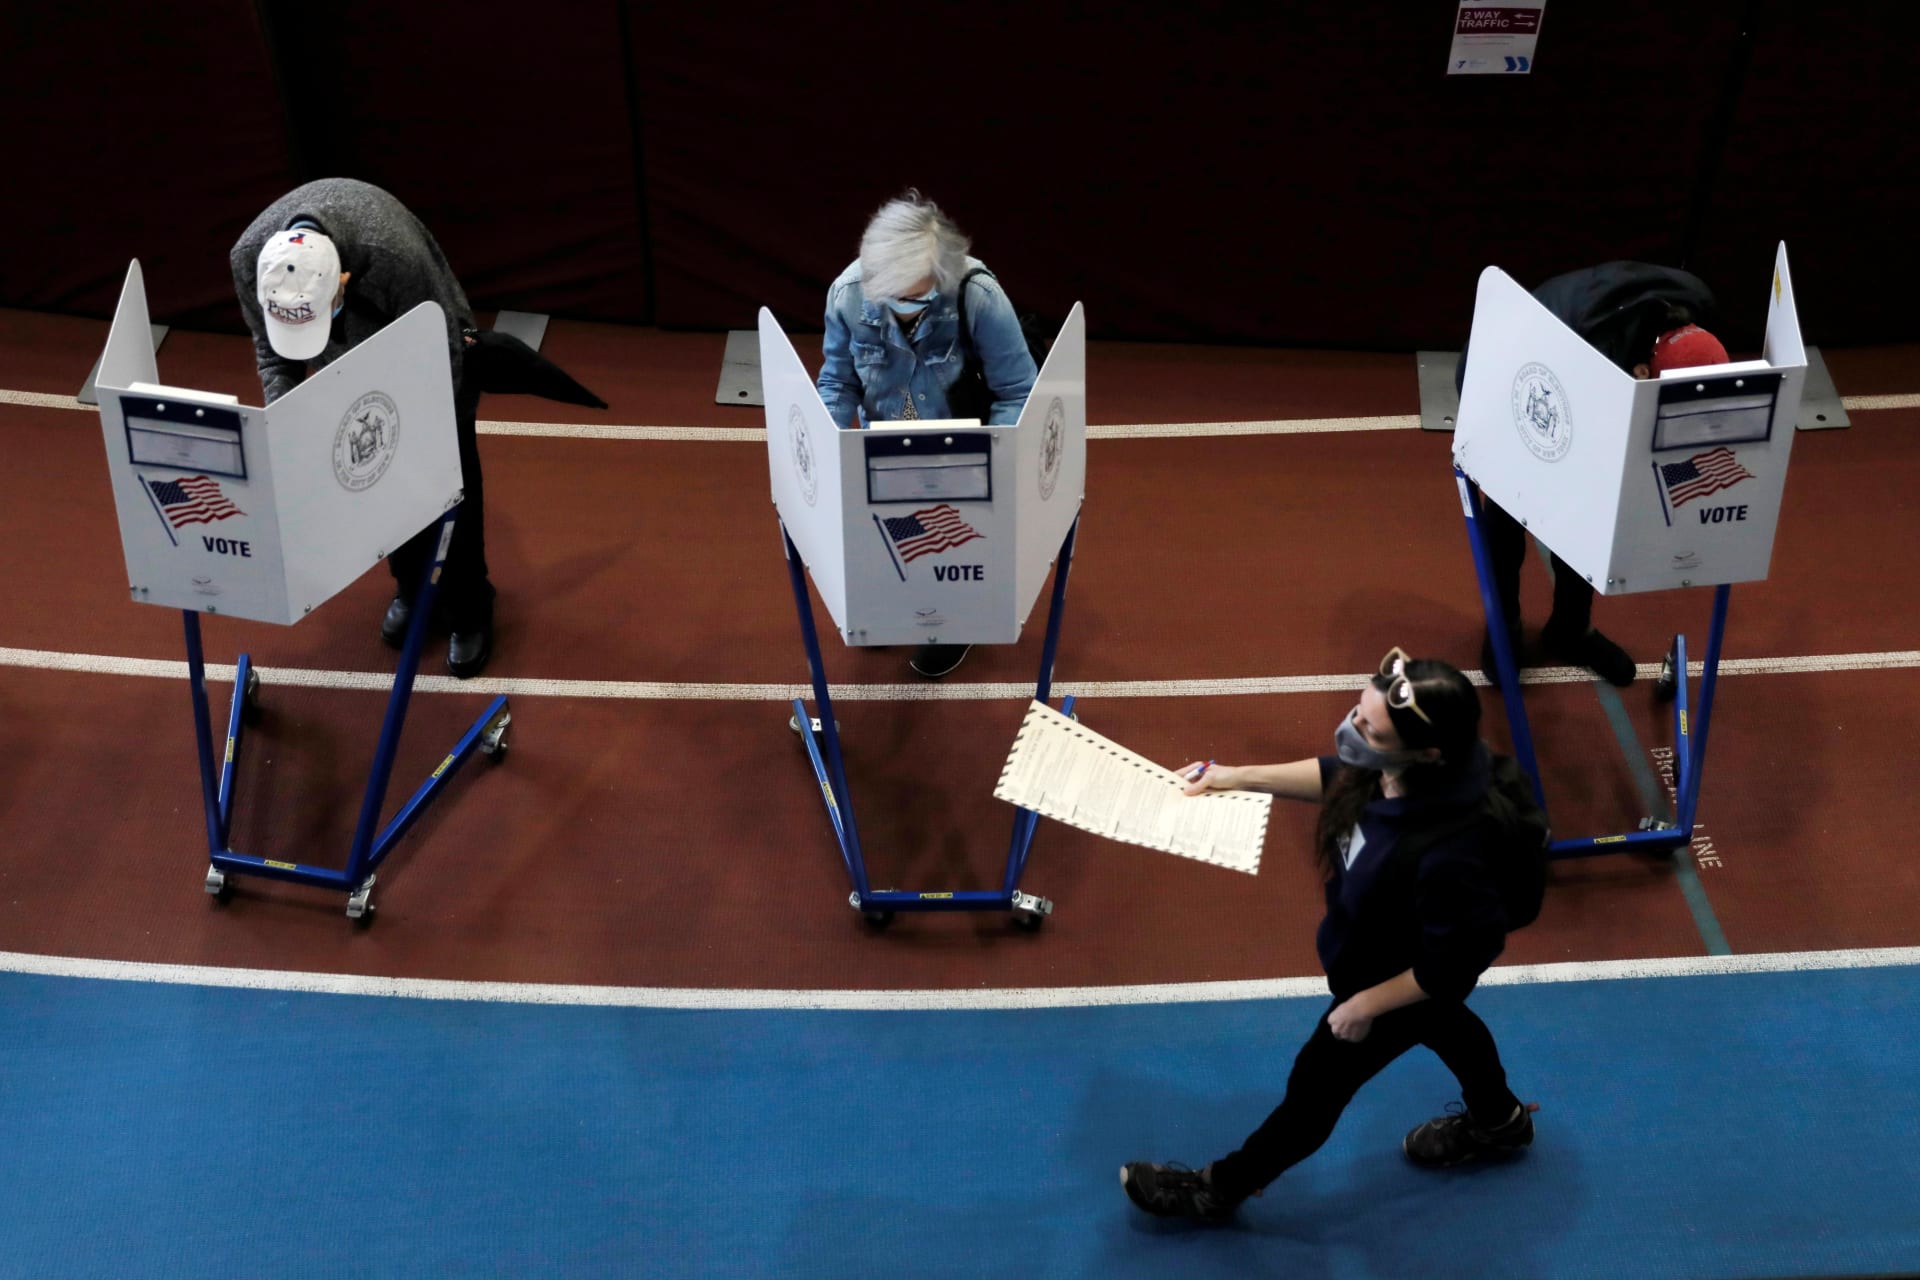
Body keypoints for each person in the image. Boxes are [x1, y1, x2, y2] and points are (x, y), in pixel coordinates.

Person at [1120, 648, 1534, 1224]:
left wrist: (1365, 1005)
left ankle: (1217, 1190)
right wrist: (1235, 777)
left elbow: (1454, 965)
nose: (1353, 729)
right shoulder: (1403, 768)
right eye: (1358, 712)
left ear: (1427, 753)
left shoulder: (1449, 853)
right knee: (1446, 1023)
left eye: (1370, 728)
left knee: (1313, 1093)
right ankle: (1500, 1121)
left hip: (1395, 976)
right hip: (1376, 949)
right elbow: (1341, 775)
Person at [231, 177, 496, 679]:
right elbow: (273, 353)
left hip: (430, 351)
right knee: (374, 483)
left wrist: (435, 438)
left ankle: (470, 605)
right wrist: (285, 424)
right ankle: (412, 588)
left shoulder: (393, 255)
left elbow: (444, 348)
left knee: (450, 484)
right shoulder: (252, 261)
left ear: (345, 281)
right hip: (347, 368)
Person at [1458, 262, 1731, 688]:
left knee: (1587, 509)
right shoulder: (1594, 353)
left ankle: (1570, 628)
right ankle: (1505, 628)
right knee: (1509, 508)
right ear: (1641, 373)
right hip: (1507, 371)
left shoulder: (1697, 303)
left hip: (1580, 345)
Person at [816, 191, 1038, 679]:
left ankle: (955, 624)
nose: (903, 306)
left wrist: (994, 460)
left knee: (956, 545)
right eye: (890, 294)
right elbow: (837, 382)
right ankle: (900, 609)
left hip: (962, 444)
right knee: (890, 536)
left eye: (915, 296)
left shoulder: (978, 295)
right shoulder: (849, 294)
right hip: (886, 443)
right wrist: (831, 447)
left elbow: (1020, 390)